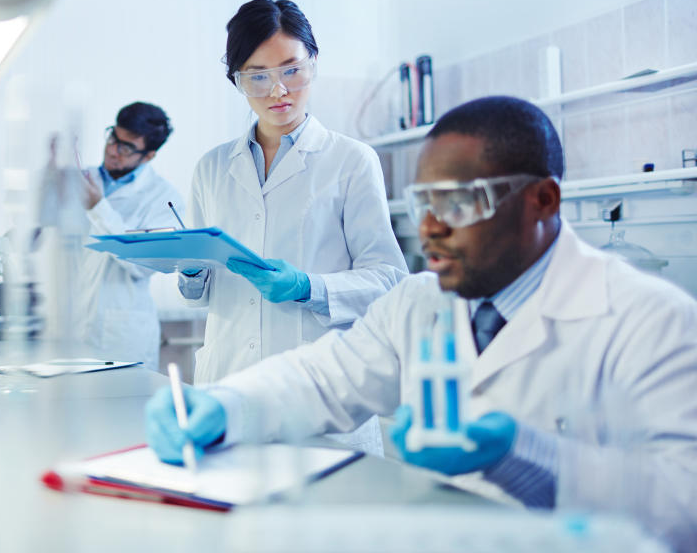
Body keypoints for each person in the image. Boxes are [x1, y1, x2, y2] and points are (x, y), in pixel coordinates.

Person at [147, 96, 697, 551]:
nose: (430, 227)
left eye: (457, 202)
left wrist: (527, 458)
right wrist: (225, 405)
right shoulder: (419, 302)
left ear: (542, 200)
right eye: (422, 202)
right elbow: (320, 378)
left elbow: (685, 505)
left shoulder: (651, 320)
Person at [179, 0, 407, 384]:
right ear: (238, 81)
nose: (278, 90)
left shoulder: (351, 160)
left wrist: (308, 287)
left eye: (292, 70)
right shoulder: (212, 168)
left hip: (319, 382)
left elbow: (389, 280)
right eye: (258, 76)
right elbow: (199, 294)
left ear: (313, 64)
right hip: (228, 378)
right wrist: (190, 272)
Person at [60, 101, 185, 371]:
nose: (113, 150)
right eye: (113, 138)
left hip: (121, 338)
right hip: (69, 330)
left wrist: (98, 207)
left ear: (148, 155)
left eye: (126, 147)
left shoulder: (164, 199)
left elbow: (142, 264)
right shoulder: (82, 180)